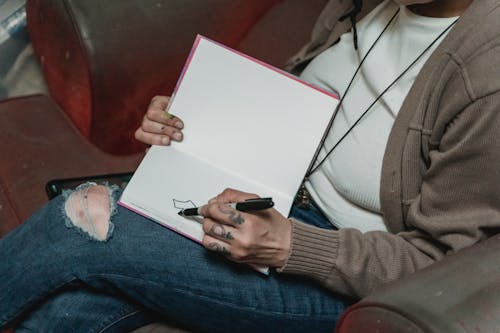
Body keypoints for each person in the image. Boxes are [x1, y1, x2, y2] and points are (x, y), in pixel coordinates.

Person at [1, 0, 499, 331]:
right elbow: (307, 83)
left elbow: (444, 267)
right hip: (264, 186)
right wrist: (199, 113)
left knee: (83, 221)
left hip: (333, 273)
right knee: (72, 309)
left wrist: (291, 244)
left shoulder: (485, 72)